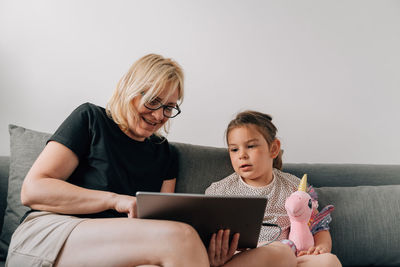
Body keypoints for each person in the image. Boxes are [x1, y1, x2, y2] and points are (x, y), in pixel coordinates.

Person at [6, 54, 210, 267]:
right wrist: (115, 200)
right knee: (182, 238)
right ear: (129, 89)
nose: (159, 116)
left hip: (117, 248)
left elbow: (161, 222)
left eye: (168, 107)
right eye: (152, 101)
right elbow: (33, 190)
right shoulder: (91, 119)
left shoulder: (165, 154)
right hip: (51, 233)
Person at [205, 110, 342, 267]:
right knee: (281, 251)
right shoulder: (220, 191)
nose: (241, 155)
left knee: (329, 261)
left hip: (291, 258)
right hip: (245, 258)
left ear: (274, 148)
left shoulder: (293, 186)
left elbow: (318, 225)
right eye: (234, 149)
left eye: (250, 146)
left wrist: (321, 247)